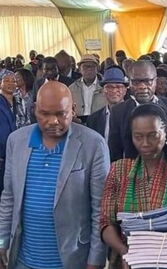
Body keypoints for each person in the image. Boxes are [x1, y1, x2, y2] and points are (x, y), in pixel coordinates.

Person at [0, 81, 109, 269]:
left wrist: (96, 261)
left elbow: (100, 209)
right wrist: (1, 243)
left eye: (61, 114)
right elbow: (9, 198)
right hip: (24, 261)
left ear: (73, 110)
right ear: (34, 110)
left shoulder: (93, 145)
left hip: (72, 261)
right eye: (45, 114)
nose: (53, 121)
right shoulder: (16, 141)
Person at [100, 104, 167, 269]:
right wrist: (124, 251)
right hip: (130, 262)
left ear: (166, 134)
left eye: (153, 135)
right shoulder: (119, 171)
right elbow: (106, 222)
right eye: (138, 136)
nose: (145, 143)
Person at [108, 60, 167, 163]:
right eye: (136, 82)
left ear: (156, 81)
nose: (142, 86)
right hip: (132, 174)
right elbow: (115, 154)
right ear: (129, 83)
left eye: (147, 81)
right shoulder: (118, 112)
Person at [87, 66, 128, 141]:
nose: (114, 90)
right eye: (109, 87)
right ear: (103, 91)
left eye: (118, 87)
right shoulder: (93, 120)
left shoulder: (134, 115)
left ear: (125, 91)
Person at [69, 54, 106, 120]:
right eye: (85, 67)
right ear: (80, 69)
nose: (89, 69)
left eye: (92, 66)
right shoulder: (72, 88)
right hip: (78, 122)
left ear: (97, 69)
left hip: (99, 121)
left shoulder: (104, 87)